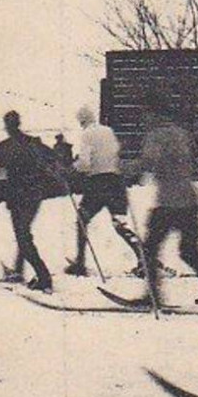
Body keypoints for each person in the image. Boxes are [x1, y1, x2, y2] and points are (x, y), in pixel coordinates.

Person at [137, 95, 198, 312]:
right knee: (189, 251)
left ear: (153, 114)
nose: (143, 119)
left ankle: (153, 295)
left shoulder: (156, 135)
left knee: (148, 249)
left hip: (169, 202)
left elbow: (149, 162)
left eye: (145, 114)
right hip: (190, 200)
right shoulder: (181, 133)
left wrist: (123, 167)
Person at [65, 104, 145, 278]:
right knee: (120, 224)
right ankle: (144, 259)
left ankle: (80, 263)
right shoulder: (108, 131)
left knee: (82, 220)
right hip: (116, 182)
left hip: (98, 184)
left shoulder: (87, 134)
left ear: (82, 120)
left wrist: (73, 167)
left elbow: (85, 163)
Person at [0, 110, 55, 292]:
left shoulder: (5, 146)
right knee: (23, 234)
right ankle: (19, 270)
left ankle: (44, 277)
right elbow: (54, 156)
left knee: (23, 235)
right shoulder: (33, 142)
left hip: (17, 197)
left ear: (7, 126)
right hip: (34, 195)